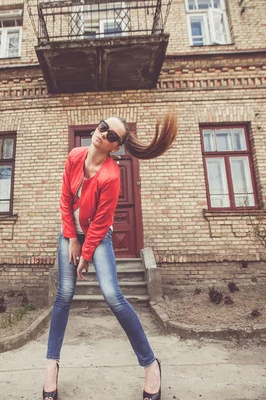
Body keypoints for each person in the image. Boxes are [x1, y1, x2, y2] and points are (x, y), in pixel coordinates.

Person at [43, 112, 179, 400]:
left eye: (112, 135)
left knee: (112, 295)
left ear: (115, 147)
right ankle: (51, 364)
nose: (104, 134)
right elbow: (65, 201)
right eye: (104, 127)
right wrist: (71, 239)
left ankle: (150, 364)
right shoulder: (75, 155)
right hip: (69, 234)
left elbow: (102, 222)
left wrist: (86, 253)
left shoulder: (112, 175)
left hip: (97, 235)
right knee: (64, 294)